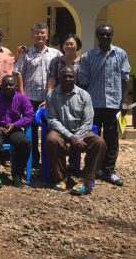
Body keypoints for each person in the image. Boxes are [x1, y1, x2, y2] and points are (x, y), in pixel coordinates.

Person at [78, 24, 130, 186]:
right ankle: (93, 169)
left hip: (114, 104)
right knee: (93, 139)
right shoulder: (88, 56)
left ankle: (108, 170)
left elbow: (125, 79)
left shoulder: (120, 54)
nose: (105, 37)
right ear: (97, 36)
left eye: (108, 34)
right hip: (93, 105)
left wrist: (125, 101)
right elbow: (83, 83)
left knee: (112, 139)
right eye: (102, 34)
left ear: (112, 35)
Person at [45, 66, 107, 195]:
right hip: (60, 132)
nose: (68, 79)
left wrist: (76, 137)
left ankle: (86, 181)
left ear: (75, 78)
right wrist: (70, 137)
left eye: (70, 76)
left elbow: (88, 120)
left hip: (81, 132)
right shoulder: (51, 95)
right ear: (59, 78)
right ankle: (61, 177)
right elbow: (53, 120)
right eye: (64, 76)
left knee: (99, 143)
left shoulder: (84, 95)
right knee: (51, 140)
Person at [13, 22, 60, 166]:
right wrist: (22, 95)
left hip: (50, 99)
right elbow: (18, 73)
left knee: (50, 128)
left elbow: (61, 74)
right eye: (37, 33)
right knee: (31, 130)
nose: (40, 35)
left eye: (42, 33)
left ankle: (48, 159)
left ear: (47, 35)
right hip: (30, 98)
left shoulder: (56, 53)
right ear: (32, 35)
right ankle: (34, 158)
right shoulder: (26, 53)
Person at [0, 75, 34, 187]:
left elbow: (30, 115)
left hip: (13, 129)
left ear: (16, 86)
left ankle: (18, 175)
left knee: (25, 143)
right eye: (5, 85)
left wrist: (15, 124)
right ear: (1, 86)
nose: (8, 87)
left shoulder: (22, 98)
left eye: (11, 85)